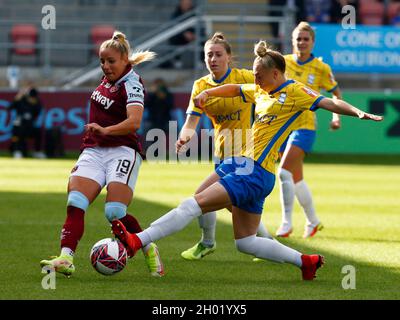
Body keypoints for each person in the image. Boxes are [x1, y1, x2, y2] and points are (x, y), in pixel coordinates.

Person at [110, 40, 383, 281]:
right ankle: (306, 262)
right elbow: (234, 89)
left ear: (275, 73)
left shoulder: (296, 92)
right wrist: (209, 93)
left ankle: (137, 241)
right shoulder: (261, 90)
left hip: (254, 173)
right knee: (246, 243)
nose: (256, 79)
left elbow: (329, 103)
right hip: (242, 164)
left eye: (259, 75)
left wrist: (358, 112)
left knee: (191, 205)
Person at [40, 31, 164, 278]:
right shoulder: (109, 78)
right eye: (102, 62)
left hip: (122, 152)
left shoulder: (132, 84)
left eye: (111, 61)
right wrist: (101, 133)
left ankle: (149, 247)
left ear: (125, 60)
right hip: (94, 150)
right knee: (75, 202)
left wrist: (105, 130)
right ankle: (66, 258)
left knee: (114, 213)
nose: (106, 66)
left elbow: (134, 122)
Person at [176, 32, 273, 261]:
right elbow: (191, 121)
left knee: (202, 197)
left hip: (247, 154)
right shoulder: (200, 85)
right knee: (234, 208)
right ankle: (267, 242)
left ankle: (207, 243)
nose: (213, 59)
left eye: (218, 54)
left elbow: (272, 88)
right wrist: (184, 137)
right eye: (209, 55)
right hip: (222, 153)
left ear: (228, 57)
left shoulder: (244, 77)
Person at [275, 21, 342, 239]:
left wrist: (335, 116)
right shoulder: (282, 62)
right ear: (292, 41)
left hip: (305, 126)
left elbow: (336, 93)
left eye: (306, 39)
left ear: (313, 42)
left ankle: (286, 223)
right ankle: (313, 221)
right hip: (283, 126)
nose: (302, 42)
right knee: (296, 179)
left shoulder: (321, 68)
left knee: (283, 172)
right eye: (299, 39)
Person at [9, 84, 46, 159]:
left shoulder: (37, 103)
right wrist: (17, 98)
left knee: (38, 132)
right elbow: (10, 107)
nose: (33, 99)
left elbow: (36, 114)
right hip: (19, 126)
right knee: (19, 131)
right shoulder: (21, 100)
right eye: (31, 98)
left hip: (29, 127)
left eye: (34, 98)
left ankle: (37, 152)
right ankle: (17, 151)